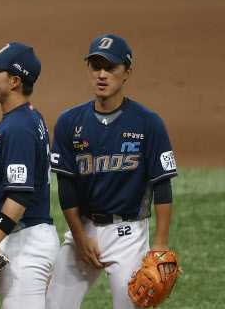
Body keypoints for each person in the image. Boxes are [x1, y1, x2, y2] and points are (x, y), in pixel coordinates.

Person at [45, 34, 178, 309]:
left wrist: (160, 244)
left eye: (111, 67)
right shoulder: (70, 122)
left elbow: (163, 184)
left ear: (127, 72)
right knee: (53, 306)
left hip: (127, 234)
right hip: (83, 229)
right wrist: (80, 238)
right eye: (96, 66)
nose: (102, 74)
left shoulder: (148, 123)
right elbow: (66, 186)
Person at [0, 42, 59, 308]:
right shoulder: (27, 117)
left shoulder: (18, 127)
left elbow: (19, 194)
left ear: (15, 81)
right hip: (28, 235)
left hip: (27, 244)